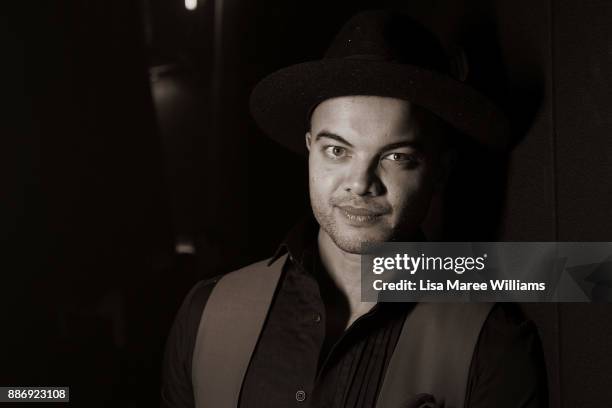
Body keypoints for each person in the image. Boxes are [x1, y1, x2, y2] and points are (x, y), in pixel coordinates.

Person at [161, 10, 548, 408]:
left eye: (397, 157)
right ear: (310, 148)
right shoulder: (205, 314)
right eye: (337, 150)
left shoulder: (495, 345)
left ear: (439, 170)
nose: (361, 182)